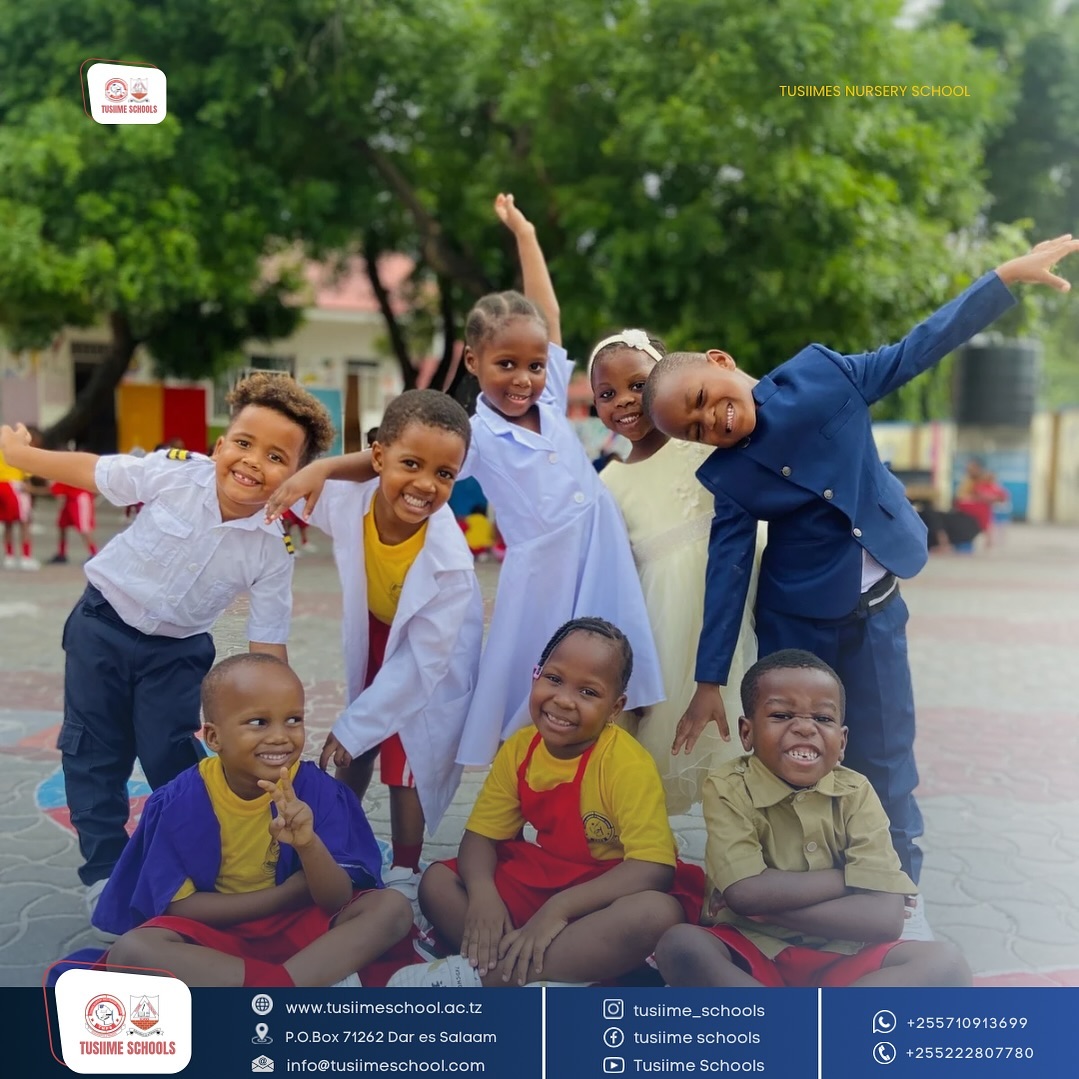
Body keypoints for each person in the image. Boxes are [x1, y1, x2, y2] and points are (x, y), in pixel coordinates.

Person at [642, 234, 1079, 931]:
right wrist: (707, 679)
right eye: (695, 427)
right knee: (794, 761)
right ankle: (798, 895)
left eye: (704, 398)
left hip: (875, 610)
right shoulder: (726, 476)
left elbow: (916, 348)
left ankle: (902, 895)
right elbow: (726, 574)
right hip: (794, 627)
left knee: (884, 753)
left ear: (721, 365)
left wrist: (1000, 278)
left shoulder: (821, 376)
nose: (711, 421)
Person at [266, 195, 664, 767]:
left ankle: (605, 780)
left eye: (533, 364)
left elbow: (547, 315)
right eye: (506, 364)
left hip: (601, 552)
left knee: (614, 669)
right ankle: (526, 785)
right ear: (473, 361)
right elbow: (387, 457)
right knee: (544, 682)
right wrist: (323, 466)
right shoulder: (471, 434)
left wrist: (525, 235)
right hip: (544, 572)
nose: (524, 378)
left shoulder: (550, 398)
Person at [0, 373, 335, 924]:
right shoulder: (175, 475)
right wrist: (23, 453)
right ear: (220, 445)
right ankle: (104, 872)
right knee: (93, 752)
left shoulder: (274, 548)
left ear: (293, 476)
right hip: (101, 627)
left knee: (171, 757)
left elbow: (268, 645)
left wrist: (277, 726)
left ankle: (205, 863)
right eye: (244, 443)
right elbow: (94, 472)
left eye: (276, 456)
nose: (253, 462)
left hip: (177, 653)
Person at [387, 618, 704, 988]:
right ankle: (554, 972)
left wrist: (560, 908)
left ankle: (490, 977)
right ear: (535, 676)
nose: (564, 700)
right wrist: (484, 896)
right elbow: (481, 837)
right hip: (540, 878)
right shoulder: (520, 749)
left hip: (604, 893)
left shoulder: (627, 764)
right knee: (438, 882)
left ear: (615, 708)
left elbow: (653, 868)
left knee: (656, 914)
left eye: (588, 692)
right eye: (554, 679)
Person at [655, 650, 970, 987]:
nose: (804, 727)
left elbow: (885, 921)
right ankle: (814, 1026)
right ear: (747, 732)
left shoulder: (857, 792)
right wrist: (850, 879)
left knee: (946, 964)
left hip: (845, 954)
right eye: (781, 714)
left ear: (843, 741)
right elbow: (746, 894)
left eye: (822, 719)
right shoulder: (727, 787)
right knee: (681, 946)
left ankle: (795, 1026)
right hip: (752, 948)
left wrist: (766, 904)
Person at [98, 654, 412, 987]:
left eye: (293, 720)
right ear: (214, 738)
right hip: (217, 935)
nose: (280, 736)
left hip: (303, 926)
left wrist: (309, 846)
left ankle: (267, 989)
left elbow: (337, 899)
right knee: (132, 951)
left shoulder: (318, 792)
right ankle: (296, 984)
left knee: (391, 908)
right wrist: (286, 895)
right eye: (259, 722)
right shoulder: (179, 802)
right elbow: (180, 908)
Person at [306, 390, 483, 910]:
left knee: (407, 755)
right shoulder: (348, 498)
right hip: (378, 627)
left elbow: (421, 666)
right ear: (377, 456)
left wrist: (353, 724)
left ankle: (406, 866)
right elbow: (291, 488)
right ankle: (337, 839)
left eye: (445, 474)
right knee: (355, 745)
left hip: (433, 650)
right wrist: (302, 476)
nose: (425, 485)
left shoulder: (450, 565)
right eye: (411, 464)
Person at [590, 329, 764, 813]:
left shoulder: (703, 441)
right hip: (664, 628)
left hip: (731, 605)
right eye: (607, 394)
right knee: (670, 745)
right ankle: (652, 862)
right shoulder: (610, 481)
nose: (625, 401)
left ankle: (734, 870)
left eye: (638, 385)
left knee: (739, 748)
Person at [0, 432, 40, 570]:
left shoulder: (2, 451)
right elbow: (27, 475)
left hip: (1, 486)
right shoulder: (19, 451)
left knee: (8, 524)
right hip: (14, 486)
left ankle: (9, 556)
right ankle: (26, 557)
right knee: (25, 523)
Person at [48, 479, 99, 563]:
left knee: (84, 528)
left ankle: (94, 554)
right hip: (69, 497)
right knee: (62, 525)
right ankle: (61, 553)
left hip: (78, 497)